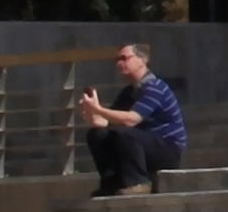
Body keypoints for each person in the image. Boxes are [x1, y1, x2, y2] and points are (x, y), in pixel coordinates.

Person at [77, 41, 188, 195]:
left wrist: (98, 109)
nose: (119, 63)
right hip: (139, 145)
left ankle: (139, 183)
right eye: (117, 60)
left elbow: (131, 120)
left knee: (124, 132)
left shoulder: (155, 87)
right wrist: (89, 112)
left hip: (168, 149)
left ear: (142, 60)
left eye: (124, 58)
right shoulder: (129, 92)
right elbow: (105, 123)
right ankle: (112, 183)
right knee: (96, 134)